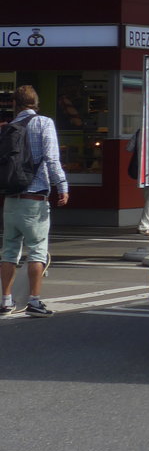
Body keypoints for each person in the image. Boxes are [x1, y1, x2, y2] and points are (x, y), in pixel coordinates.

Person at [1, 85, 69, 317]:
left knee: (9, 252)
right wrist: (62, 186)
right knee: (38, 251)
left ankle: (5, 301)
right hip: (35, 198)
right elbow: (52, 158)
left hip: (11, 199)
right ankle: (34, 301)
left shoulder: (9, 128)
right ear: (36, 103)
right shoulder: (44, 123)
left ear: (15, 104)